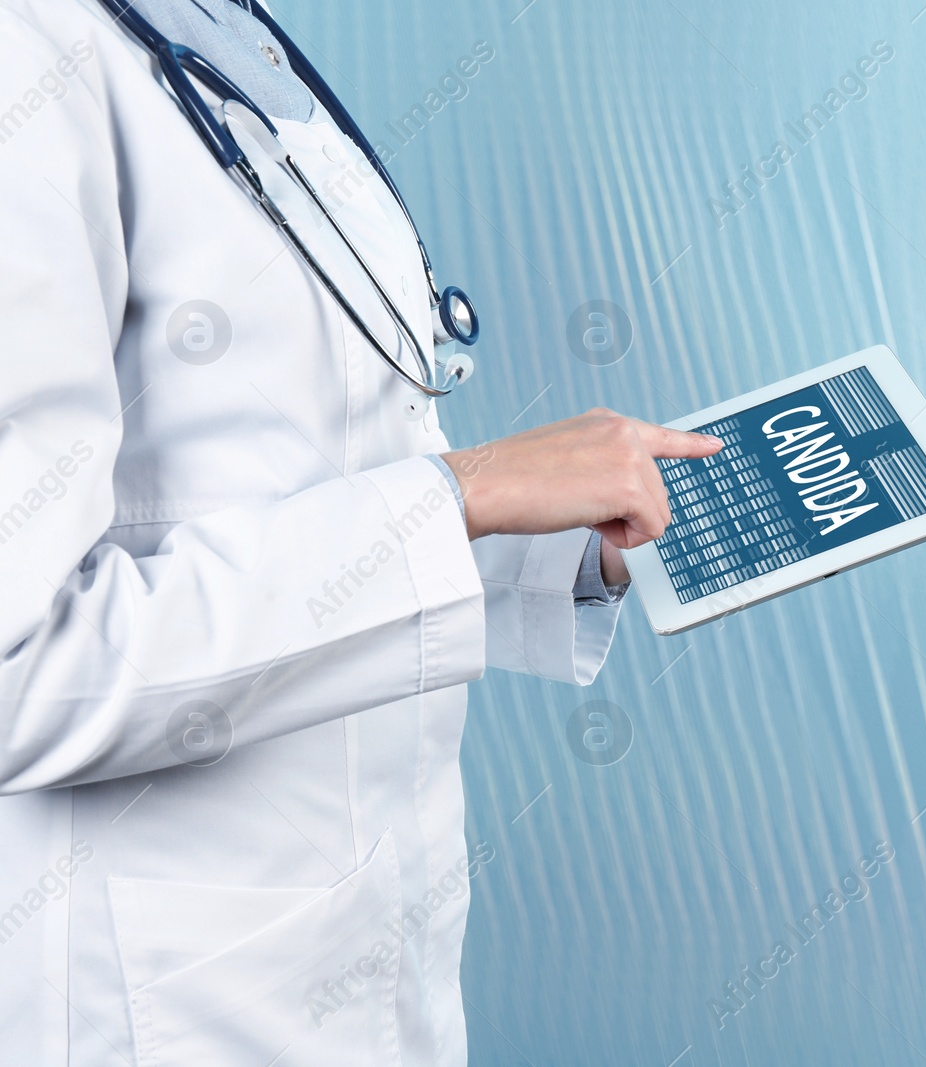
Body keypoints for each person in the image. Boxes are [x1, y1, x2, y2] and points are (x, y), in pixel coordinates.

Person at [0, 1, 718, 1063]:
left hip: (367, 928)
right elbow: (23, 671)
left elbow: (297, 475)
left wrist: (566, 533)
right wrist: (460, 493)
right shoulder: (31, 53)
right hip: (164, 993)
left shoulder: (214, 25)